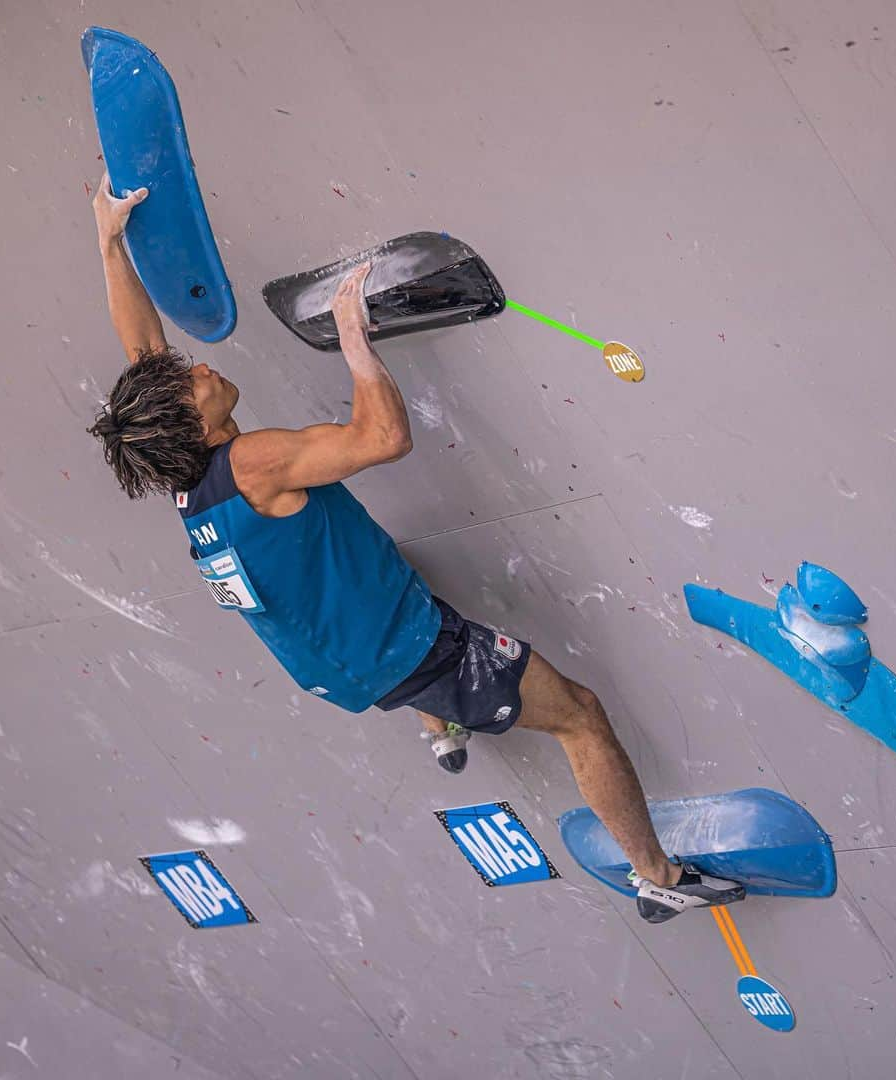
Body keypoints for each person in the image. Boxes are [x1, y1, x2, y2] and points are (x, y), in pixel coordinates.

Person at [86, 174, 745, 921]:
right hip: (414, 653)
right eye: (193, 385)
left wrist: (109, 238)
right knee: (579, 714)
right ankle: (654, 875)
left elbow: (143, 351)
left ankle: (437, 727)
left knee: (382, 566)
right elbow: (383, 439)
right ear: (197, 429)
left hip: (334, 659)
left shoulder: (176, 464)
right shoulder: (253, 464)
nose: (200, 369)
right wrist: (355, 344)